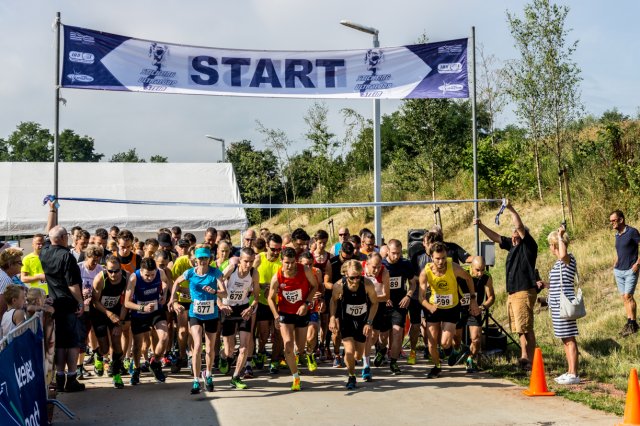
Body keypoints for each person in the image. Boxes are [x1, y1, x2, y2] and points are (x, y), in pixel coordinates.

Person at [475, 201, 538, 369]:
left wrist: (510, 209)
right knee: (520, 328)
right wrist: (481, 226)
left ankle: (530, 359)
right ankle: (524, 357)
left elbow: (519, 225)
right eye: (512, 234)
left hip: (523, 291)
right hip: (514, 293)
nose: (513, 236)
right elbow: (496, 237)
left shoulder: (528, 246)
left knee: (526, 327)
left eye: (516, 233)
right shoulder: (512, 246)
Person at [419, 242, 480, 379]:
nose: (441, 262)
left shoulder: (454, 267)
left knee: (445, 342)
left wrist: (473, 299)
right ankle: (437, 366)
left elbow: (469, 279)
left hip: (451, 307)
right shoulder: (426, 272)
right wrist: (429, 307)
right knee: (431, 343)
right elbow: (421, 297)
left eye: (443, 258)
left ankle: (451, 352)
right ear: (431, 258)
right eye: (437, 259)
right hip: (434, 308)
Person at [170, 245, 226, 394]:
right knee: (196, 345)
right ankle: (196, 380)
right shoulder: (190, 273)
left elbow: (224, 293)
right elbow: (176, 282)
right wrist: (172, 300)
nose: (203, 261)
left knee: (209, 348)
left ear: (209, 259)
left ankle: (208, 374)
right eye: (200, 258)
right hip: (195, 313)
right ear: (195, 259)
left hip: (212, 314)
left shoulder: (215, 273)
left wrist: (215, 291)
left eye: (205, 258)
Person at [40, 212, 86, 392]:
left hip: (54, 303)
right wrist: (81, 302)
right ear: (64, 238)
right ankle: (72, 378)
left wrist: (51, 210)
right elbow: (73, 284)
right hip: (68, 304)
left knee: (60, 343)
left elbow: (48, 233)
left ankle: (60, 378)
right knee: (72, 344)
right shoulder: (67, 256)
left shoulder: (44, 252)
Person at [267, 247, 318, 391]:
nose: (290, 265)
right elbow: (270, 298)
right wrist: (276, 316)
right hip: (285, 313)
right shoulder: (277, 276)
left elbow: (315, 286)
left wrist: (306, 304)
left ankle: (299, 355)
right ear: (281, 261)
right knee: (288, 345)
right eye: (287, 262)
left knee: (300, 348)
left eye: (292, 262)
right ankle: (296, 377)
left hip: (301, 312)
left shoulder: (305, 270)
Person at [534, 227, 580, 384]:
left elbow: (564, 254)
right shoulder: (558, 263)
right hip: (556, 305)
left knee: (569, 338)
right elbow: (559, 283)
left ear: (555, 244)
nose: (549, 247)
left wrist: (560, 236)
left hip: (564, 305)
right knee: (564, 338)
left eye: (550, 244)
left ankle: (574, 373)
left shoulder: (567, 259)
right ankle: (569, 371)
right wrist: (546, 285)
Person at [329, 260, 378, 390]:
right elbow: (333, 302)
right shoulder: (339, 286)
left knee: (357, 354)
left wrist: (369, 322)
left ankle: (353, 362)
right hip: (347, 321)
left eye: (358, 276)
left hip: (362, 322)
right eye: (352, 277)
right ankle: (351, 376)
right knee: (349, 352)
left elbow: (375, 303)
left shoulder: (367, 284)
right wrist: (332, 318)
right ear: (345, 274)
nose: (356, 280)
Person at [124, 257, 171, 385]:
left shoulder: (160, 272)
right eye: (147, 275)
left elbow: (166, 282)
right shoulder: (134, 278)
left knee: (165, 336)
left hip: (156, 309)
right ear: (141, 270)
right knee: (138, 346)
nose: (150, 278)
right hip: (139, 313)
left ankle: (155, 363)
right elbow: (127, 302)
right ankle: (136, 369)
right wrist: (142, 307)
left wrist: (164, 294)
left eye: (152, 275)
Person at [218, 248, 260, 389]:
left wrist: (250, 307)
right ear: (240, 260)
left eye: (251, 261)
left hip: (243, 309)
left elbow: (256, 297)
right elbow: (216, 287)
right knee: (229, 349)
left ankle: (235, 377)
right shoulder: (232, 269)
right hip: (228, 308)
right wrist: (220, 305)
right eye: (246, 261)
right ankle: (223, 356)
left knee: (244, 347)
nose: (248, 265)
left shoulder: (254, 273)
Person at [90, 255, 128, 389]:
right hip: (99, 312)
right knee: (105, 348)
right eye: (110, 271)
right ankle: (98, 355)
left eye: (116, 271)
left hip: (116, 310)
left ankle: (116, 374)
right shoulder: (100, 278)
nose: (113, 274)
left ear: (120, 268)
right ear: (106, 269)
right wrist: (109, 313)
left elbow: (126, 302)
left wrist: (120, 322)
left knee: (117, 342)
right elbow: (94, 301)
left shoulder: (126, 277)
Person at [382, 239, 417, 374]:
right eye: (393, 253)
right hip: (383, 304)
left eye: (399, 253)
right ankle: (381, 350)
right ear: (388, 252)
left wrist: (408, 296)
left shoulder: (405, 264)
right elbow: (374, 284)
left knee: (397, 333)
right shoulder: (382, 265)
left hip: (400, 304)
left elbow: (413, 283)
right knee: (382, 336)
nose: (396, 256)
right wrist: (384, 298)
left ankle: (394, 362)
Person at [252, 233, 283, 374]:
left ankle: (275, 360)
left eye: (279, 249)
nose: (276, 252)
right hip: (263, 302)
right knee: (263, 334)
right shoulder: (259, 258)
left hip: (279, 303)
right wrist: (262, 286)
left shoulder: (283, 261)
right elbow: (249, 277)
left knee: (278, 333)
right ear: (266, 247)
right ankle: (261, 351)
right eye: (273, 249)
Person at [323, 241, 355, 365]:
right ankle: (336, 354)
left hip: (351, 299)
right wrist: (338, 288)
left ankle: (348, 352)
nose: (347, 261)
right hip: (335, 297)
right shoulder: (332, 262)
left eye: (349, 258)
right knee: (336, 331)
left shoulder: (355, 261)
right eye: (344, 258)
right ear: (340, 252)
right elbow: (326, 282)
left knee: (350, 330)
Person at [609, 210, 640, 336]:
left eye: (614, 220)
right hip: (619, 271)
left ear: (621, 220)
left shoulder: (632, 232)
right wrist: (616, 261)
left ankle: (633, 324)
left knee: (628, 296)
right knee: (624, 298)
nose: (612, 223)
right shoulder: (617, 235)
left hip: (630, 270)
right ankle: (630, 323)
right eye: (610, 221)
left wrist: (638, 263)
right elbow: (620, 251)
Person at [77, 244, 104, 379]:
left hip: (94, 305)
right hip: (81, 306)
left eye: (98, 260)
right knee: (81, 336)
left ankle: (97, 354)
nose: (95, 264)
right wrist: (81, 295)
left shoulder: (100, 269)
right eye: (93, 260)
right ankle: (79, 367)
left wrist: (93, 295)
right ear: (87, 257)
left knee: (95, 331)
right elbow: (72, 285)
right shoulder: (79, 267)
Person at [362, 252, 390, 381]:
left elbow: (386, 296)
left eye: (379, 266)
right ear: (366, 264)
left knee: (373, 337)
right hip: (362, 307)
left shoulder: (384, 273)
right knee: (366, 336)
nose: (377, 269)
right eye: (374, 267)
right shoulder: (359, 269)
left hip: (378, 306)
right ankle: (366, 365)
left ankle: (366, 353)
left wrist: (372, 298)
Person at [464, 256, 495, 373]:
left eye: (482, 269)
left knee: (476, 339)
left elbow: (491, 297)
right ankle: (455, 349)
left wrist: (483, 307)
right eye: (477, 270)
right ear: (471, 266)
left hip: (475, 309)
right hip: (460, 308)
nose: (480, 273)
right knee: (454, 339)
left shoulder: (486, 276)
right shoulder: (463, 273)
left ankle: (470, 359)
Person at [299, 251, 322, 372]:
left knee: (312, 334)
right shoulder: (296, 273)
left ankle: (310, 354)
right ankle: (299, 355)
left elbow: (321, 288)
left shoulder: (316, 272)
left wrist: (320, 297)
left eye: (310, 264)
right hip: (298, 308)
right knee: (298, 338)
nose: (308, 267)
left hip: (313, 308)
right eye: (305, 265)